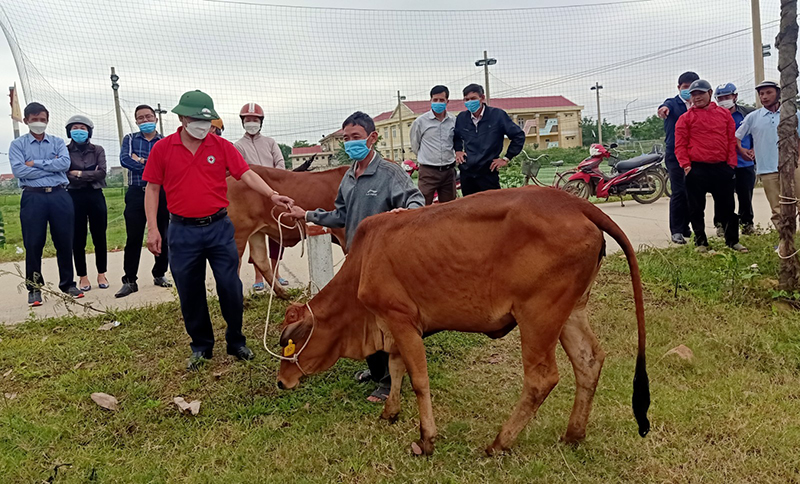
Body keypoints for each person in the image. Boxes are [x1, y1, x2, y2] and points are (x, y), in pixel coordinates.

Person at [142, 90, 294, 371]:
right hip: (182, 230)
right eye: (197, 120)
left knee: (230, 286)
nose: (203, 126)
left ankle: (236, 340)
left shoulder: (221, 146)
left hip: (219, 228)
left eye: (207, 121)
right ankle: (201, 346)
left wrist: (272, 195)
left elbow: (246, 174)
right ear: (182, 118)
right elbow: (152, 189)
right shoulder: (163, 149)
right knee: (190, 291)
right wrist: (153, 228)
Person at [287, 111, 424, 402]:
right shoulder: (349, 176)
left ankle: (389, 382)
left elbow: (416, 200)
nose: (351, 143)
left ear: (372, 138)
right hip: (356, 258)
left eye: (356, 138)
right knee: (362, 317)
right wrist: (307, 214)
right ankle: (376, 373)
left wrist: (405, 213)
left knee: (383, 320)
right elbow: (341, 215)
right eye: (346, 139)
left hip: (386, 263)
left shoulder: (390, 172)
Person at [8, 102, 84, 306]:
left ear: (47, 120)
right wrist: (51, 168)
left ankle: (68, 284)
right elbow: (19, 171)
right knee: (33, 243)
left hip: (60, 195)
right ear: (26, 121)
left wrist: (36, 164)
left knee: (65, 241)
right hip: (33, 197)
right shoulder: (18, 145)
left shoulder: (58, 142)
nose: (39, 123)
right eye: (34, 120)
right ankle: (34, 288)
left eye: (42, 119)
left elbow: (64, 165)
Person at [675, 79, 747, 253]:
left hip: (722, 167)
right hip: (696, 168)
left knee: (728, 207)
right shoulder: (685, 119)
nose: (697, 97)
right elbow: (680, 145)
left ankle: (732, 240)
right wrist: (686, 166)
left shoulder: (724, 115)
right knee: (696, 208)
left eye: (700, 93)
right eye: (693, 94)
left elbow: (731, 141)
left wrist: (731, 164)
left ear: (709, 93)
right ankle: (701, 242)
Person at [116, 104, 172, 298]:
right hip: (136, 193)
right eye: (141, 118)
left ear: (156, 119)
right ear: (136, 120)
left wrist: (141, 160)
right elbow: (125, 160)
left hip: (161, 192)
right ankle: (130, 280)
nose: (145, 120)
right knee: (134, 237)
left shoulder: (165, 141)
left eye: (149, 116)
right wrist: (152, 167)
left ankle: (160, 273)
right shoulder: (130, 139)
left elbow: (168, 165)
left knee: (163, 233)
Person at [233, 102, 289, 289]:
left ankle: (276, 273)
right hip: (251, 198)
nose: (251, 122)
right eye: (248, 119)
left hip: (273, 194)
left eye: (255, 119)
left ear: (261, 122)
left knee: (276, 236)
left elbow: (280, 164)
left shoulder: (270, 142)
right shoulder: (238, 146)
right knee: (254, 236)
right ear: (243, 122)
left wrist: (273, 184)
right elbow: (241, 171)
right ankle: (259, 278)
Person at [735, 80, 800, 231]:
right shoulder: (753, 117)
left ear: (778, 93)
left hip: (793, 167)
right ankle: (785, 241)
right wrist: (743, 150)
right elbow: (737, 136)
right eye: (761, 93)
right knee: (777, 209)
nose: (764, 97)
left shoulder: (792, 114)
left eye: (768, 92)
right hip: (767, 169)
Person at [453, 84, 525, 196]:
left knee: (493, 208)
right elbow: (456, 136)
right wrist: (458, 150)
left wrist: (506, 158)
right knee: (469, 209)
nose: (469, 102)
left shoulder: (497, 115)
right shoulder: (462, 118)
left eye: (473, 99)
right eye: (466, 99)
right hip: (467, 173)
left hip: (488, 172)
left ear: (482, 98)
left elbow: (518, 136)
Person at [65, 114, 109, 291]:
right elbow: (65, 173)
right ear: (69, 131)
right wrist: (88, 173)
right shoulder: (64, 150)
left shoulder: (98, 150)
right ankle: (82, 276)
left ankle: (102, 273)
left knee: (100, 236)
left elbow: (102, 173)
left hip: (96, 195)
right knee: (78, 238)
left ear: (89, 131)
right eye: (75, 128)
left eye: (82, 128)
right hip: (74, 196)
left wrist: (79, 174)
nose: (79, 131)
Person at [658, 71, 699, 245]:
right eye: (685, 88)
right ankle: (676, 230)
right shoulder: (672, 104)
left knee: (693, 192)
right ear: (679, 88)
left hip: (695, 155)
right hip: (675, 156)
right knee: (679, 191)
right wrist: (663, 109)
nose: (688, 91)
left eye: (692, 88)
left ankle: (685, 227)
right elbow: (664, 106)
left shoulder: (700, 105)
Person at [713, 83, 755, 237]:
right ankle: (721, 225)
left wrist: (753, 150)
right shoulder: (714, 116)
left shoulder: (748, 114)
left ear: (735, 97)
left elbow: (755, 133)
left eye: (727, 97)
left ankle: (747, 224)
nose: (724, 100)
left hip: (745, 162)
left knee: (745, 196)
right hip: (722, 163)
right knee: (722, 196)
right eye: (720, 98)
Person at [410, 85, 457, 205]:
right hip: (428, 172)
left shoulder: (453, 121)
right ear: (430, 100)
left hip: (448, 171)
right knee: (423, 207)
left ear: (447, 101)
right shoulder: (420, 122)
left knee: (449, 208)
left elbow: (456, 142)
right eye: (435, 100)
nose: (438, 102)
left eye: (441, 100)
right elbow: (415, 145)